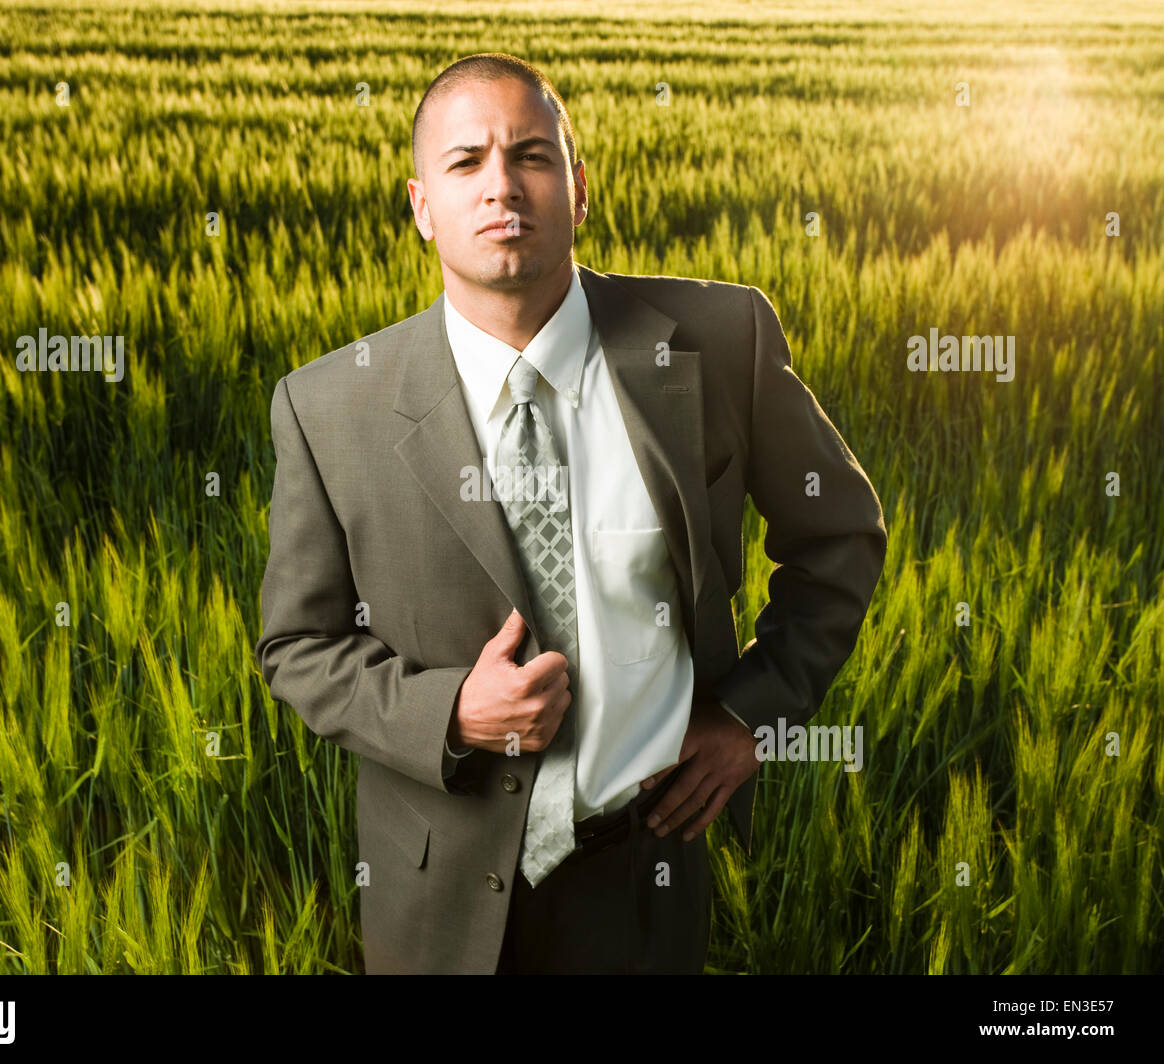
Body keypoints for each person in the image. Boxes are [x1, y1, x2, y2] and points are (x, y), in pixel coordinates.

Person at [254, 52, 887, 974]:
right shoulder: (326, 407)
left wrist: (754, 713)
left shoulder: (719, 340)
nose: (502, 185)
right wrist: (452, 715)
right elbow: (298, 648)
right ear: (422, 204)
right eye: (465, 162)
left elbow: (839, 537)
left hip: (645, 867)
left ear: (579, 188)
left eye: (533, 156)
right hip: (436, 894)